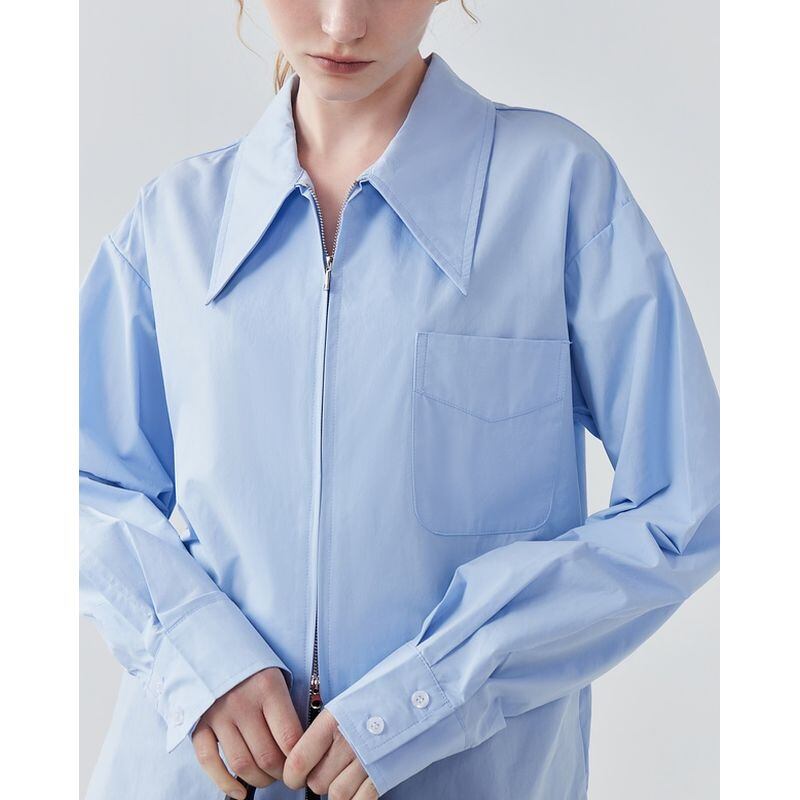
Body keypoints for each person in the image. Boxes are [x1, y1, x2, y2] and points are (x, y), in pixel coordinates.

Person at [79, 2, 720, 799]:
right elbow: (79, 478)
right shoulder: (173, 220)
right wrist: (194, 654)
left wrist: (437, 689)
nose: (342, 23)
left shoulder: (558, 192)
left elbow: (689, 502)